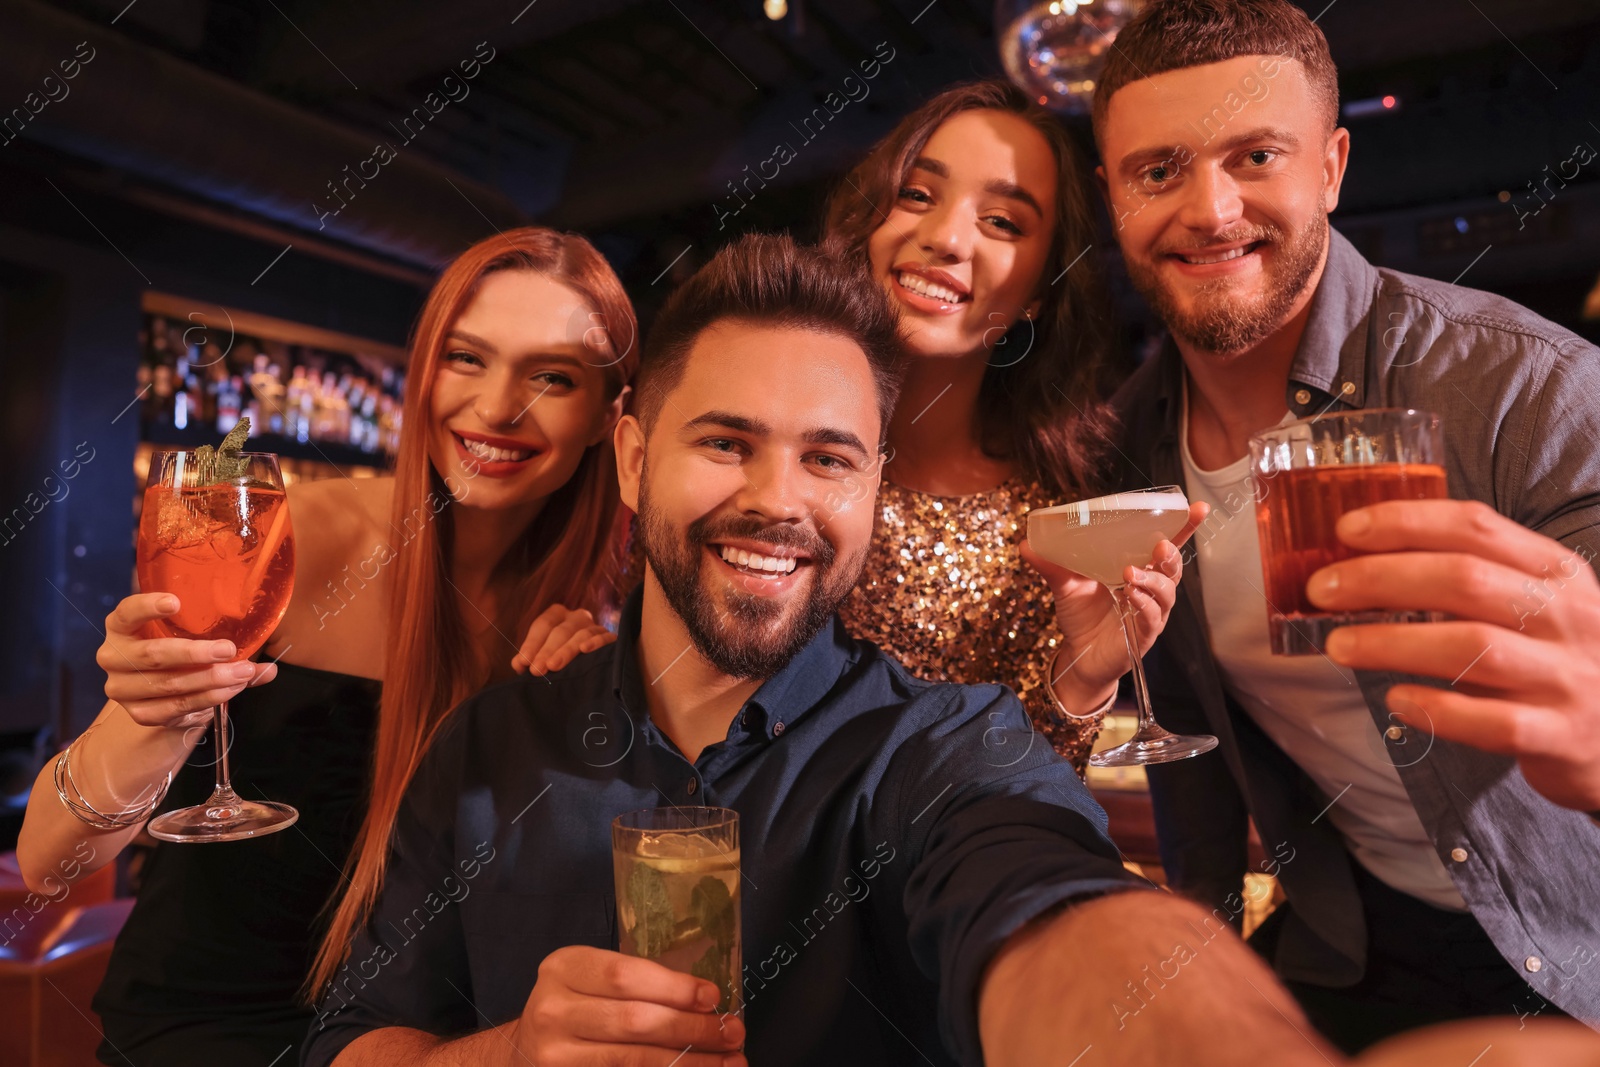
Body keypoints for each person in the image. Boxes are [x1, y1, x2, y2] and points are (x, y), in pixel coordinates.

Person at [300, 233, 1354, 1067]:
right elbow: (351, 1040)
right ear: (630, 456)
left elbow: (1055, 909)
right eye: (724, 442)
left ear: (873, 487)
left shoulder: (943, 744)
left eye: (828, 457)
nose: (777, 501)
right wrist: (513, 1054)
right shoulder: (491, 738)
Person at [1090, 0, 1600, 1052]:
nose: (1209, 208)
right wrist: (1202, 954)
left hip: (1575, 940)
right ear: (1111, 196)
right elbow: (1186, 748)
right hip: (1354, 935)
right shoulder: (1129, 442)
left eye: (1255, 156)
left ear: (1330, 166)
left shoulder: (1525, 387)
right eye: (1157, 171)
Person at [16, 227, 636, 1065]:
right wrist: (147, 718)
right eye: (466, 359)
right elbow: (50, 860)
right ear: (423, 371)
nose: (498, 408)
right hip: (206, 1038)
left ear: (610, 415)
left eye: (553, 376)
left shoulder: (601, 620)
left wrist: (591, 693)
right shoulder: (296, 538)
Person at [824, 80, 1201, 770]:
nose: (944, 238)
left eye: (1001, 221)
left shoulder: (1050, 521)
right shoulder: (765, 451)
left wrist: (1084, 679)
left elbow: (1025, 791)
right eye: (916, 194)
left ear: (1037, 293)